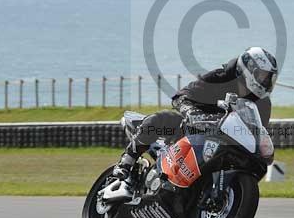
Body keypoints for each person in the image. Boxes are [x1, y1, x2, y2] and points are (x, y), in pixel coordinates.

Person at [112, 47, 278, 181]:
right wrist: (190, 111)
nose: (265, 82)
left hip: (225, 143)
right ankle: (127, 161)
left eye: (269, 78)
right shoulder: (220, 77)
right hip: (191, 126)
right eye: (262, 76)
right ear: (248, 69)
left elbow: (256, 131)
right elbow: (182, 96)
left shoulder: (262, 104)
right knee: (161, 119)